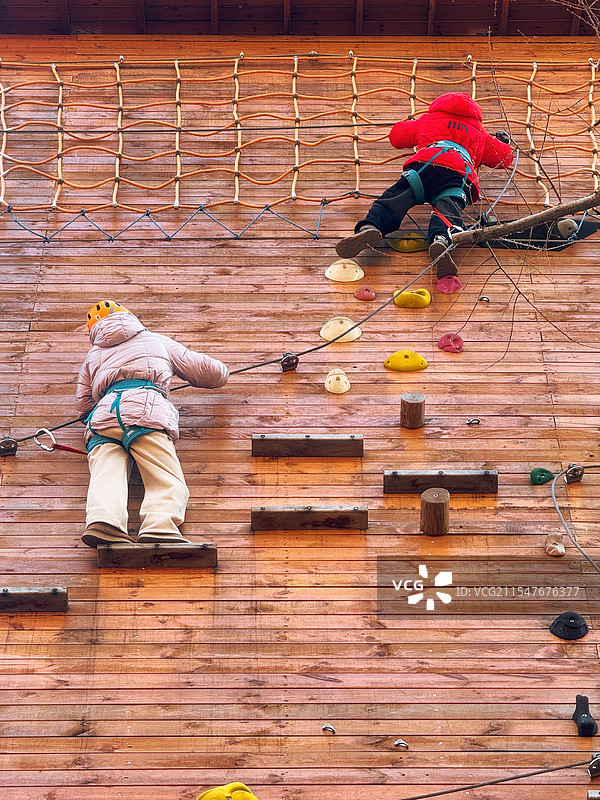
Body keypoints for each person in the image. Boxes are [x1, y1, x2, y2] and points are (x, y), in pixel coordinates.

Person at [76, 300, 229, 548]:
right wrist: (223, 372)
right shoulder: (154, 340)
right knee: (164, 477)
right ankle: (160, 526)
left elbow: (83, 404)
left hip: (102, 418)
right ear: (130, 317)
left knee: (106, 474)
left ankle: (105, 523)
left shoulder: (93, 355)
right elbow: (204, 371)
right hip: (145, 410)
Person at [335, 92, 514, 279]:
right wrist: (504, 142)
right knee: (448, 208)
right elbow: (504, 158)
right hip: (458, 172)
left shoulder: (430, 118)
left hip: (427, 164)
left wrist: (408, 122)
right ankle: (442, 239)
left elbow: (396, 136)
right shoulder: (480, 131)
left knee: (398, 196)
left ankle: (371, 227)